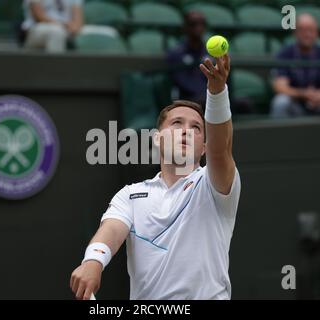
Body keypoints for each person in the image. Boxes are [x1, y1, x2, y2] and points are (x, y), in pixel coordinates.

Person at [70, 54, 241, 300]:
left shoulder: (213, 185)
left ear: (204, 146)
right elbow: (112, 230)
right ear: (157, 139)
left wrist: (216, 92)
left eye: (196, 128)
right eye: (177, 123)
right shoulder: (130, 195)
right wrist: (93, 261)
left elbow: (221, 148)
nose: (186, 131)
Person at [271, 13, 320, 117]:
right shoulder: (285, 54)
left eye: (311, 30)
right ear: (295, 33)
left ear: (316, 33)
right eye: (302, 30)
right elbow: (280, 87)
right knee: (281, 102)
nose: (307, 34)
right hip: (295, 103)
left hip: (318, 102)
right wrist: (304, 94)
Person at [166, 11, 208, 105]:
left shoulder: (210, 52)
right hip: (188, 99)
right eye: (193, 24)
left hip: (209, 97)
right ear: (185, 27)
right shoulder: (175, 53)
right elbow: (181, 81)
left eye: (202, 24)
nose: (199, 27)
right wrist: (205, 94)